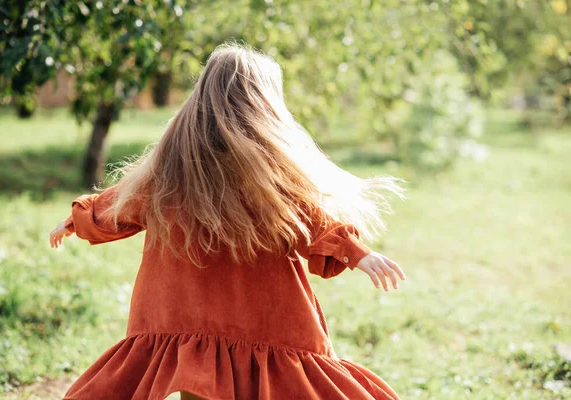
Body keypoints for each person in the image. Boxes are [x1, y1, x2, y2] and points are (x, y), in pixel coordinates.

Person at [50, 43, 405, 400]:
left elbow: (120, 204)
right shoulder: (226, 170)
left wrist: (79, 219)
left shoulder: (177, 170)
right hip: (258, 314)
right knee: (244, 378)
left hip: (183, 313)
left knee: (196, 377)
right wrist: (358, 254)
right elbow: (312, 219)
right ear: (264, 104)